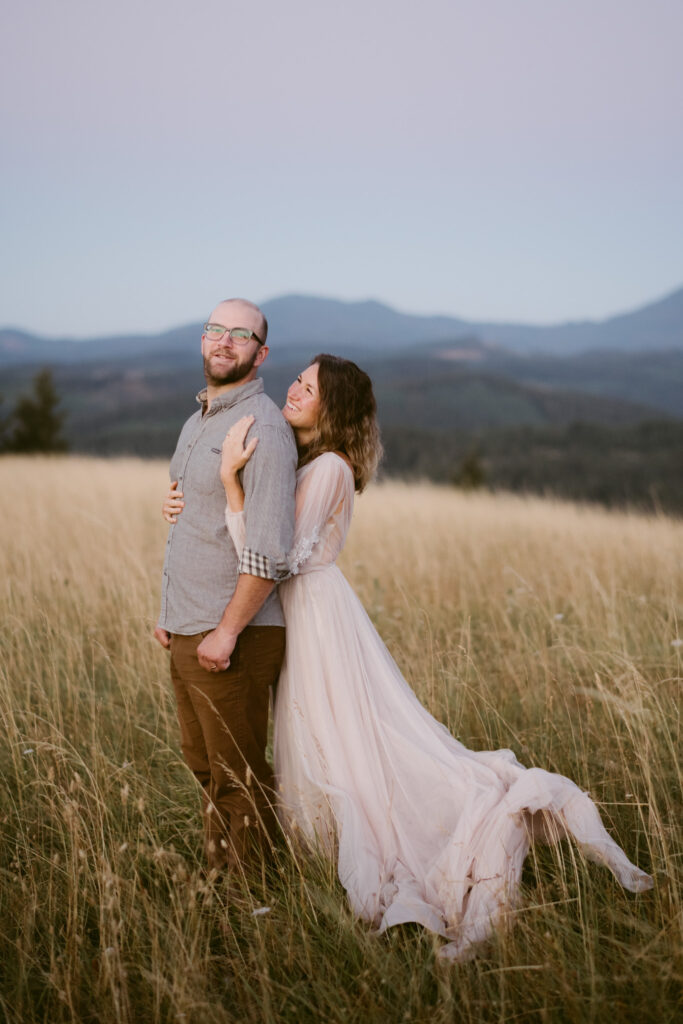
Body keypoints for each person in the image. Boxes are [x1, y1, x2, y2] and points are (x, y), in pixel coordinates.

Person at [163, 353, 653, 961]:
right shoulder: (314, 462)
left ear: (332, 406)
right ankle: (308, 850)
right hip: (304, 611)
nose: (293, 391)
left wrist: (232, 484)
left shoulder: (331, 469)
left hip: (315, 612)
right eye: (295, 380)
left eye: (307, 388)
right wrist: (200, 503)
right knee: (326, 735)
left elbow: (277, 555)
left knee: (347, 738)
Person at [155, 298, 297, 872]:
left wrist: (226, 632)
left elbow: (268, 552)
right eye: (215, 330)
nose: (223, 341)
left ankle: (251, 905)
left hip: (231, 634)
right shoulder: (199, 421)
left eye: (240, 335)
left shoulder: (263, 427)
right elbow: (196, 518)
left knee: (238, 774)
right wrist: (168, 610)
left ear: (260, 354)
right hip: (189, 622)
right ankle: (221, 878)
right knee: (206, 766)